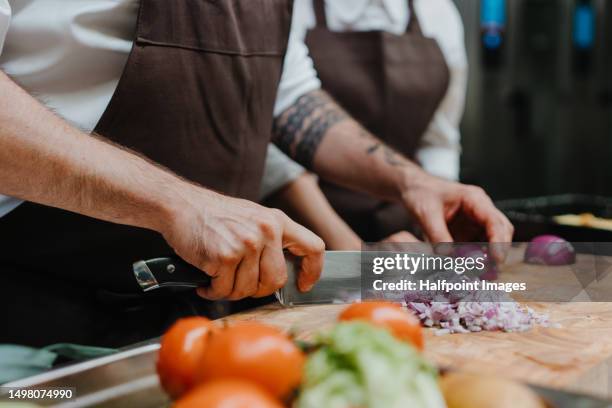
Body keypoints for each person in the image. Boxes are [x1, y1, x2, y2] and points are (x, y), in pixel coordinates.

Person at [0, 0, 511, 348]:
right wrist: (179, 202)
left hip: (190, 323)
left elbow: (288, 99)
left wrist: (411, 180)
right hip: (22, 319)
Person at [269, 0, 471, 242]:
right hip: (304, 230)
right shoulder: (289, 7)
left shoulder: (437, 10)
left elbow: (438, 143)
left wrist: (436, 230)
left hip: (404, 228)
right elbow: (274, 128)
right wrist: (352, 253)